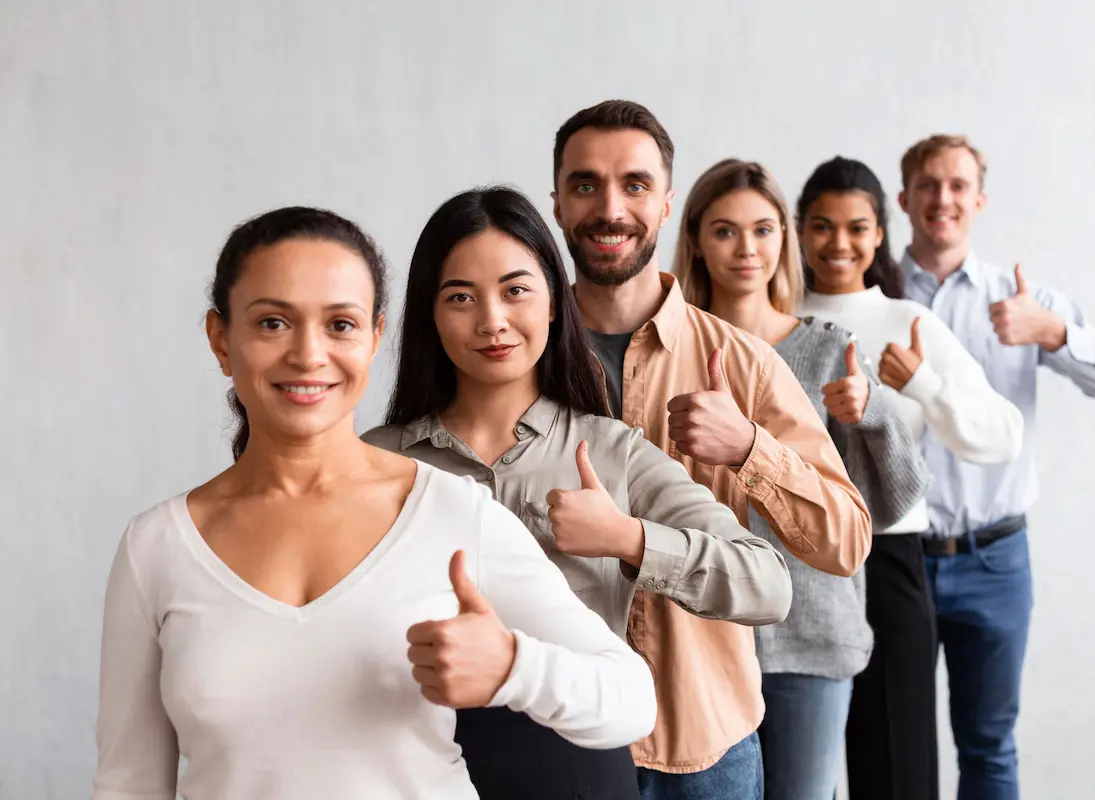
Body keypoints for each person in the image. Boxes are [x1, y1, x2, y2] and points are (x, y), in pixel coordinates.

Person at [91, 206, 657, 800]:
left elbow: (630, 700)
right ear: (220, 340)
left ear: (374, 339)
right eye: (272, 323)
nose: (309, 355)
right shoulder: (156, 546)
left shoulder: (451, 513)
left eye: (340, 324)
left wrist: (514, 667)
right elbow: (127, 784)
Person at [362, 185, 793, 799]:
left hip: (575, 768)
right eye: (461, 297)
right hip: (406, 765)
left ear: (556, 305)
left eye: (516, 291)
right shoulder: (377, 458)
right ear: (429, 314)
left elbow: (769, 584)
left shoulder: (613, 451)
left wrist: (628, 538)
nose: (492, 321)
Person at [551, 98, 872, 799]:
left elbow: (845, 541)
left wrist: (750, 448)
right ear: (556, 203)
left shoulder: (744, 362)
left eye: (634, 185)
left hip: (706, 738)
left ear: (667, 204)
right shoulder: (516, 353)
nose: (610, 208)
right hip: (561, 731)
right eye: (586, 185)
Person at [672, 157, 931, 800]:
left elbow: (887, 505)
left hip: (811, 638)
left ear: (783, 239)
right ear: (698, 241)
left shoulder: (825, 347)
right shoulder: (666, 349)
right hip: (695, 637)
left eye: (763, 229)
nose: (746, 248)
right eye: (725, 230)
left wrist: (872, 413)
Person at [894, 135, 1095, 800]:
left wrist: (1052, 332)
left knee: (989, 747)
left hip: (995, 561)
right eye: (928, 185)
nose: (942, 199)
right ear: (903, 199)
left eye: (957, 186)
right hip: (894, 563)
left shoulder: (1021, 299)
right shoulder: (874, 295)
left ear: (979, 200)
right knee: (894, 747)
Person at [793, 155, 1025, 800]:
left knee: (895, 764)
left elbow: (1003, 434)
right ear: (799, 230)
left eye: (857, 227)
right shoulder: (770, 316)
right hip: (790, 562)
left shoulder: (909, 324)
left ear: (878, 234)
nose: (839, 243)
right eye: (821, 225)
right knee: (796, 767)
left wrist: (919, 383)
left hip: (889, 557)